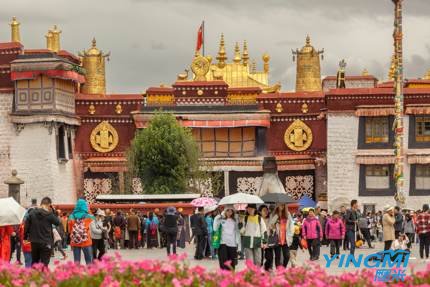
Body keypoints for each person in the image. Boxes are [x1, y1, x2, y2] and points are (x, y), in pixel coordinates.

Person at [24, 197, 60, 267]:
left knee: (34, 263)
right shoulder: (49, 215)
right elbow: (58, 222)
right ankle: (43, 277)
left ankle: (35, 277)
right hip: (46, 242)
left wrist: (25, 237)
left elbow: (26, 227)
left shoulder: (32, 213)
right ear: (49, 205)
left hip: (34, 241)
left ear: (41, 204)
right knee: (44, 264)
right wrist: (53, 211)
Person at [213, 205, 241, 270]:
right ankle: (223, 276)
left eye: (231, 211)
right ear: (225, 211)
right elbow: (215, 229)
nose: (229, 212)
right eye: (228, 210)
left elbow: (237, 233)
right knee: (223, 262)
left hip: (232, 244)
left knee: (231, 263)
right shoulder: (220, 219)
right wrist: (217, 218)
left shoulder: (235, 220)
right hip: (223, 243)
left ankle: (231, 277)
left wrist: (238, 245)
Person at [68, 199, 95, 265]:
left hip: (75, 241)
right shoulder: (90, 217)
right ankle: (89, 274)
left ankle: (77, 274)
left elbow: (69, 230)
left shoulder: (71, 216)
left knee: (76, 261)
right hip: (86, 240)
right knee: (89, 261)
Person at [269, 204, 294, 268]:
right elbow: (271, 224)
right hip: (277, 239)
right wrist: (277, 215)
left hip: (286, 239)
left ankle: (283, 267)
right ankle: (278, 271)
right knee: (278, 256)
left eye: (283, 205)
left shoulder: (287, 214)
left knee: (287, 256)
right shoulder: (274, 214)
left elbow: (291, 225)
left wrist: (291, 235)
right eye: (280, 205)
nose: (281, 207)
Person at [259, 205, 272, 270]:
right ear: (260, 212)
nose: (266, 211)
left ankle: (266, 270)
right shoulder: (258, 219)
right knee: (260, 260)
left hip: (268, 242)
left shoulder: (270, 219)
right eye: (264, 210)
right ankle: (259, 272)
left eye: (267, 210)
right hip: (260, 242)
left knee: (269, 258)